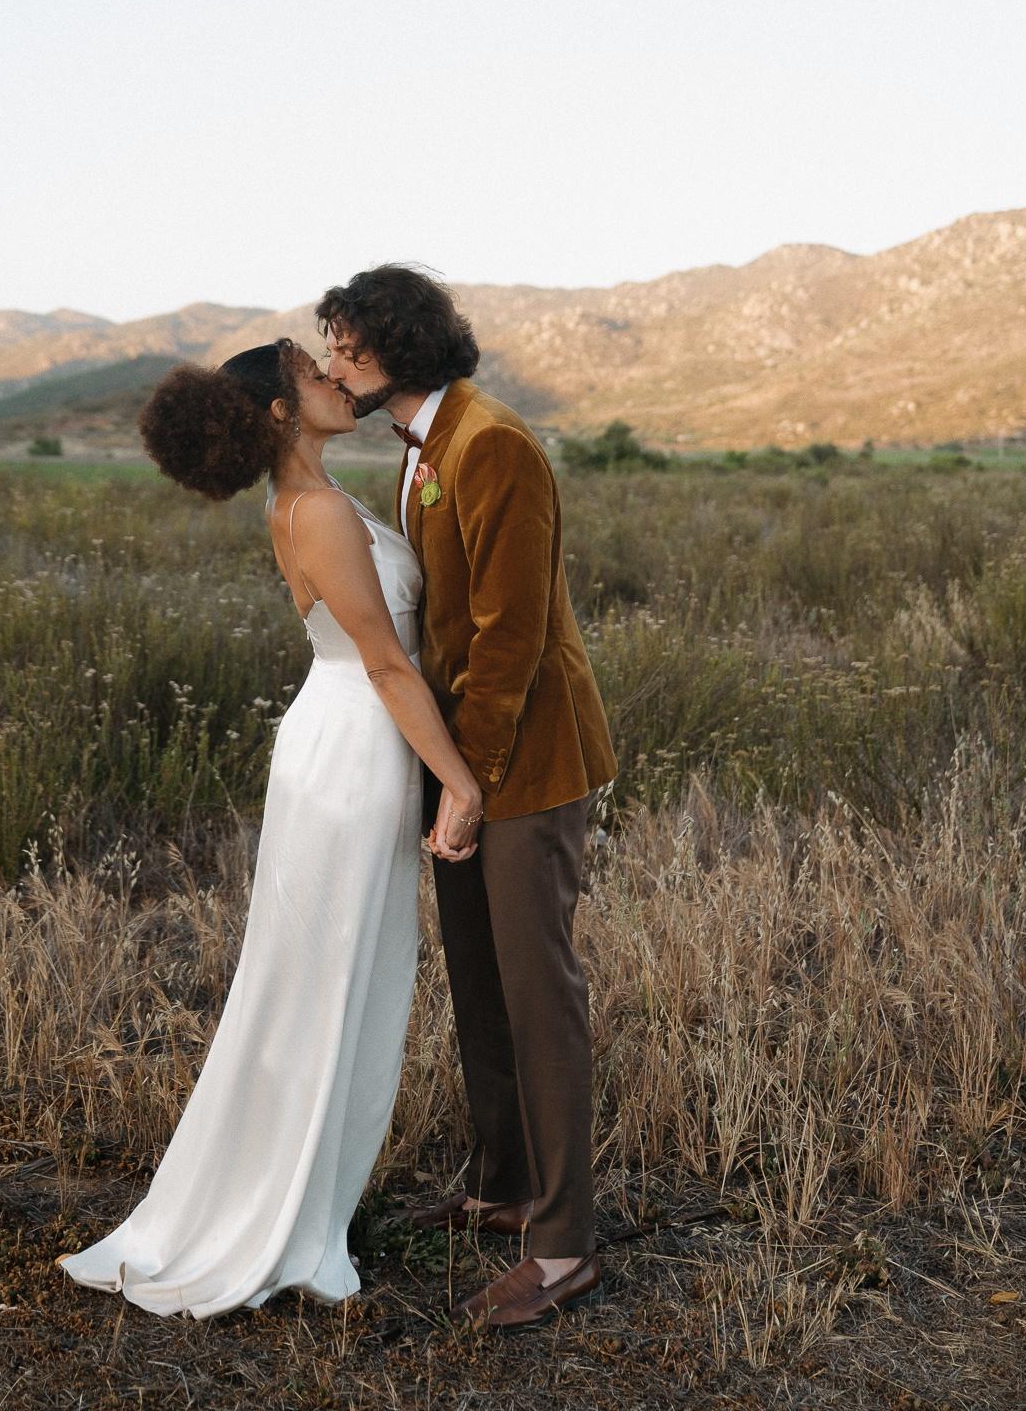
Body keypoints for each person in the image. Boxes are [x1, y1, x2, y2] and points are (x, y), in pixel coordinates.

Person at [56, 337, 484, 1316]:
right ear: (282, 412)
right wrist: (457, 784)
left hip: (350, 739)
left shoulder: (311, 495)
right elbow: (385, 663)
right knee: (322, 980)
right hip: (351, 750)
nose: (339, 380)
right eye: (315, 375)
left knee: (330, 976)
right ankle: (276, 1219)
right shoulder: (315, 509)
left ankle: (297, 1200)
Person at [320, 265, 619, 1330]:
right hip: (465, 760)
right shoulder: (423, 443)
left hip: (523, 764)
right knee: (480, 980)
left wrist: (468, 783)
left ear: (399, 348)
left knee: (538, 994)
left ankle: (564, 1245)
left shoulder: (491, 443)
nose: (333, 366)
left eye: (348, 348)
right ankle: (503, 1185)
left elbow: (509, 634)